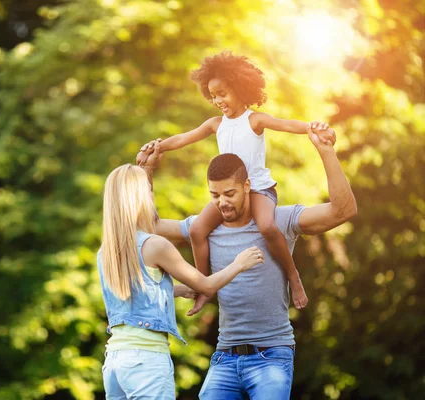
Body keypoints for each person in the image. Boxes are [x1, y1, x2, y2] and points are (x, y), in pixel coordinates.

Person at [136, 125, 357, 399]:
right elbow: (151, 225)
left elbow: (343, 210)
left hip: (272, 357)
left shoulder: (278, 220)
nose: (222, 203)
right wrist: (146, 172)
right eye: (215, 196)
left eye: (230, 194)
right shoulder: (205, 228)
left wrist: (326, 151)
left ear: (247, 186)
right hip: (224, 357)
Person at [140, 50, 337, 310]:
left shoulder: (255, 119)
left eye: (223, 93)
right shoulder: (215, 124)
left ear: (240, 88)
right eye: (213, 96)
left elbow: (288, 125)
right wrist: (157, 147)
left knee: (267, 227)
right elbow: (182, 139)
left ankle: (293, 276)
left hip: (258, 189)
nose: (218, 100)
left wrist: (315, 128)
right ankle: (204, 286)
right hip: (230, 191)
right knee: (198, 230)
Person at [98, 163, 265, 400]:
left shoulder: (106, 251)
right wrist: (239, 263)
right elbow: (206, 285)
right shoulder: (154, 245)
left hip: (115, 360)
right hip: (146, 361)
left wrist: (177, 290)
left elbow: (134, 293)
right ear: (140, 196)